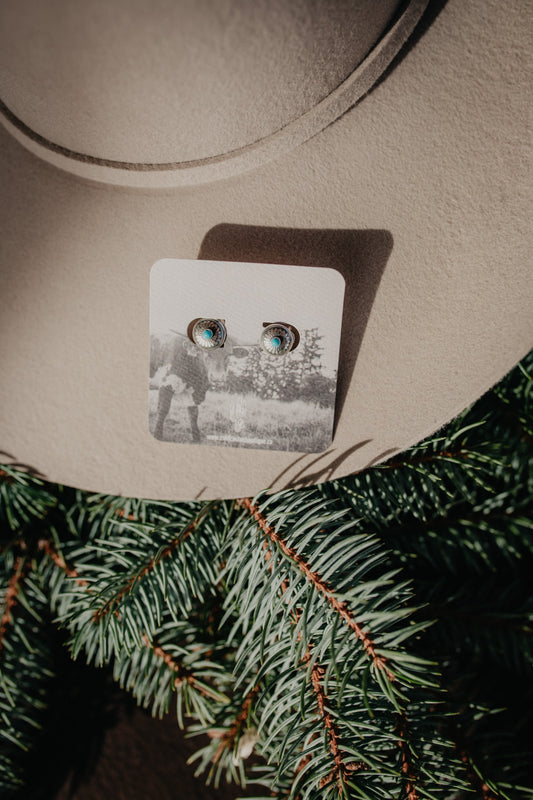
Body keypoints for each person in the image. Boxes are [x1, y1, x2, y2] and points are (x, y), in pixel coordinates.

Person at [154, 337, 210, 442]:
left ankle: (196, 436)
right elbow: (176, 371)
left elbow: (203, 378)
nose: (193, 348)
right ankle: (157, 432)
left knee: (193, 408)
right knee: (164, 408)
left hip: (190, 386)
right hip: (177, 381)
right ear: (187, 347)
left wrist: (195, 388)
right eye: (191, 346)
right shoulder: (181, 357)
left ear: (198, 349)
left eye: (196, 347)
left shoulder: (200, 362)